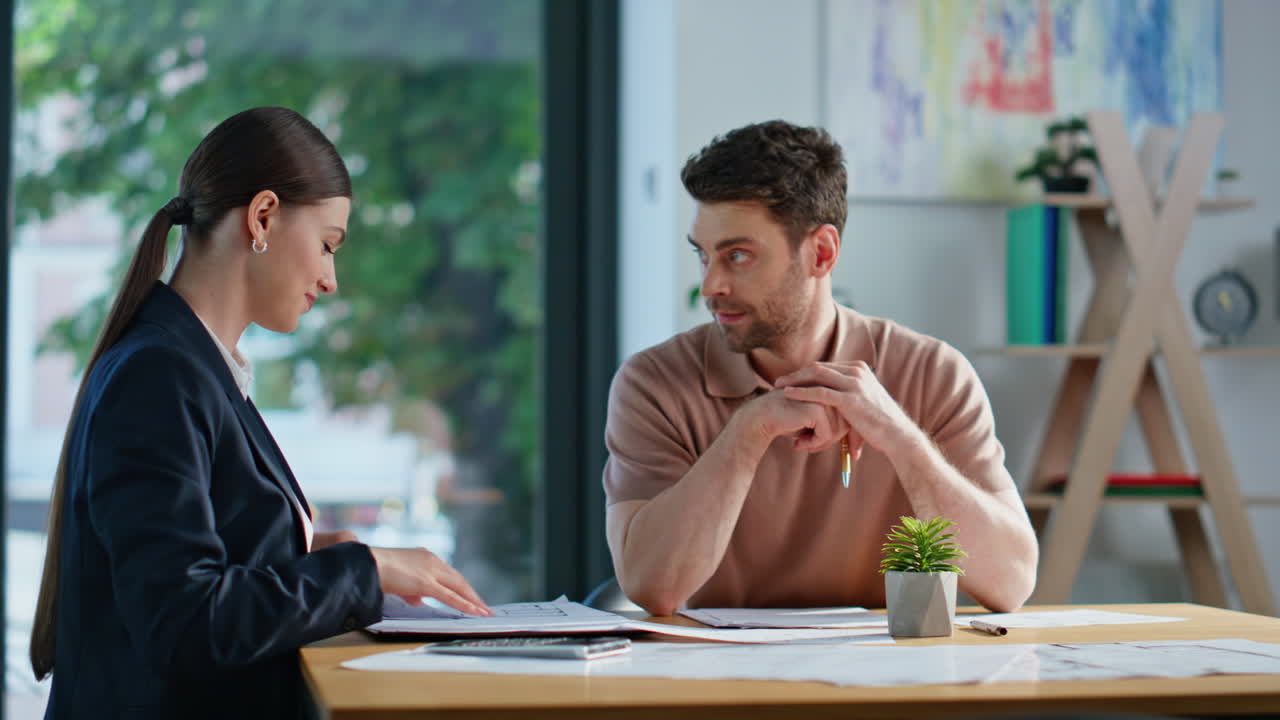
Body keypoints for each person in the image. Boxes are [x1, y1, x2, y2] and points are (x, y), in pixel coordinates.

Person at [30, 107, 491, 719]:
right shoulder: (159, 376)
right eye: (328, 245)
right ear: (263, 216)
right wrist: (362, 570)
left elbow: (203, 562)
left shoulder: (194, 369)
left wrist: (312, 554)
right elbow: (187, 624)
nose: (330, 279)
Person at [603, 120, 1038, 616]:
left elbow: (1012, 581)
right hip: (720, 681)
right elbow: (651, 587)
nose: (710, 285)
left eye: (738, 255)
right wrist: (750, 430)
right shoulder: (654, 385)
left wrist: (898, 435)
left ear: (822, 253)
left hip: (892, 679)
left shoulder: (933, 374)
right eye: (704, 256)